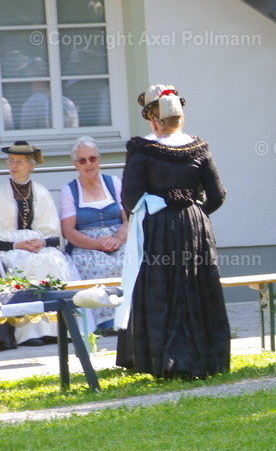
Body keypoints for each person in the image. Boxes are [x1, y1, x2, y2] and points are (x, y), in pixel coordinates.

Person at [114, 85, 229, 379]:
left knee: (160, 290)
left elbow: (130, 198)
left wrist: (159, 208)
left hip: (158, 227)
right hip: (194, 225)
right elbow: (217, 195)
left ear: (154, 119)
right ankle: (205, 358)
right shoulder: (200, 148)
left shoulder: (142, 149)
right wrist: (194, 211)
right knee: (196, 286)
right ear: (181, 118)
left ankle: (163, 360)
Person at [0, 141, 76, 345]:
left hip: (39, 247)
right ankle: (30, 333)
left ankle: (58, 329)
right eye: (11, 161)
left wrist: (40, 242)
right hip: (10, 250)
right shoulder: (1, 192)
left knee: (52, 260)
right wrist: (18, 245)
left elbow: (53, 234)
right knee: (24, 263)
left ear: (31, 165)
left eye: (20, 162)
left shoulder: (41, 191)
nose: (14, 166)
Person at [59, 136, 128, 331]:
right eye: (82, 160)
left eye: (92, 158)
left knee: (133, 260)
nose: (88, 164)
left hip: (119, 240)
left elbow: (129, 218)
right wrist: (97, 244)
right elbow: (69, 231)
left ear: (99, 159)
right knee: (94, 265)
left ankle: (129, 315)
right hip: (87, 243)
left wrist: (118, 238)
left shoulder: (113, 183)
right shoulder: (69, 190)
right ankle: (105, 321)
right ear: (75, 164)